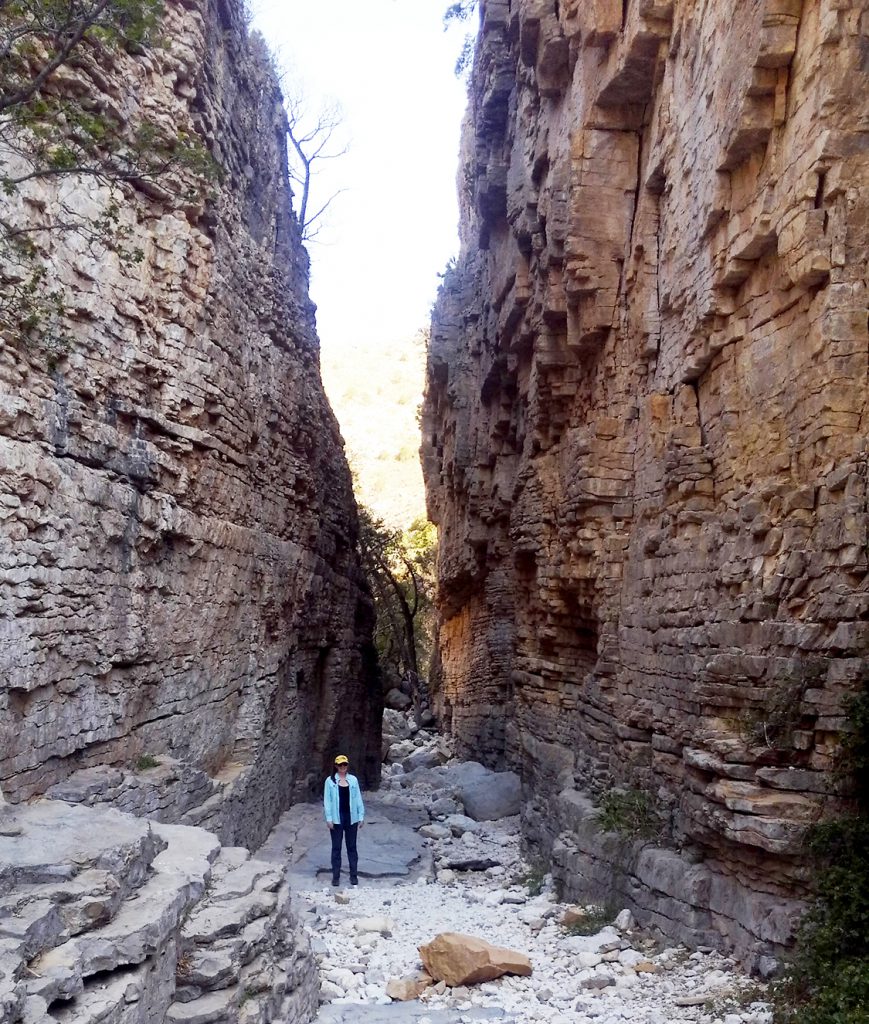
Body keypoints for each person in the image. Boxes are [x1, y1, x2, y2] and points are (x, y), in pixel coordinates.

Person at [323, 753, 365, 886]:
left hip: (351, 818)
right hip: (337, 818)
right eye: (340, 765)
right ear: (336, 766)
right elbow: (327, 801)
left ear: (347, 765)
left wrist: (361, 816)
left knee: (351, 847)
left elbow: (358, 798)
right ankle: (336, 877)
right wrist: (329, 818)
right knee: (336, 848)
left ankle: (354, 876)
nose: (342, 767)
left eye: (344, 764)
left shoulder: (353, 780)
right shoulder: (330, 781)